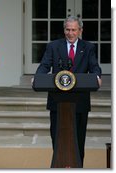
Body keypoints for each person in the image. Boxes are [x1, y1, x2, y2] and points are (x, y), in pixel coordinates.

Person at [35, 16, 102, 167]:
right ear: (64, 30)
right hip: (57, 103)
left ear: (80, 31)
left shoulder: (88, 47)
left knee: (78, 141)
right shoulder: (53, 46)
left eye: (73, 30)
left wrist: (97, 77)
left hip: (80, 103)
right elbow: (45, 65)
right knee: (57, 139)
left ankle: (78, 168)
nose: (70, 33)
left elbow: (94, 67)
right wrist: (38, 77)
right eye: (67, 29)